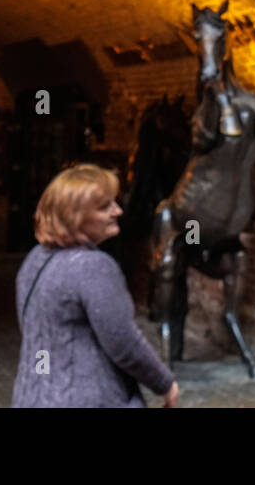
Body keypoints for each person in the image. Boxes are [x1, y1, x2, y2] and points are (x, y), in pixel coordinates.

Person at [12, 163, 179, 408]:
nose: (118, 211)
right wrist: (164, 383)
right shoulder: (93, 266)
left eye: (115, 202)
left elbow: (42, 338)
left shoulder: (35, 259)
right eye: (104, 207)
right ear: (74, 218)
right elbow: (122, 342)